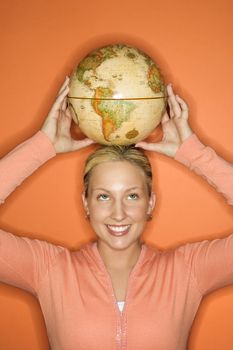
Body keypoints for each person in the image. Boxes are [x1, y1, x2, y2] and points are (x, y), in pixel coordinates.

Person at [0, 76, 232, 350]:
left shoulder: (188, 271)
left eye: (132, 196)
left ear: (150, 203)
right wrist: (42, 146)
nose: (118, 213)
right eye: (103, 196)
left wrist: (194, 154)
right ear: (86, 203)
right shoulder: (48, 269)